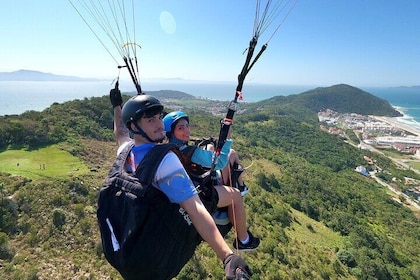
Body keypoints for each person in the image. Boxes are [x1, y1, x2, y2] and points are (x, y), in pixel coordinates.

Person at [109, 89, 252, 279]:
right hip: (157, 256)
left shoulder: (126, 151)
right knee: (229, 193)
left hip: (127, 244)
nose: (160, 125)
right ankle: (243, 236)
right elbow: (195, 209)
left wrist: (117, 106)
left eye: (159, 118)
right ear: (134, 126)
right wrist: (227, 257)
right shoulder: (165, 161)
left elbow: (120, 132)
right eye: (150, 120)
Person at [162, 110, 260, 251]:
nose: (187, 130)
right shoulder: (188, 152)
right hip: (201, 192)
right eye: (180, 128)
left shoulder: (173, 149)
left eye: (187, 126)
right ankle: (244, 240)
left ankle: (241, 186)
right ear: (171, 133)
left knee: (226, 152)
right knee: (236, 195)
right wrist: (227, 136)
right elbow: (219, 162)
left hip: (193, 183)